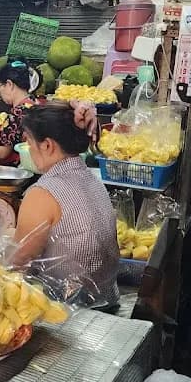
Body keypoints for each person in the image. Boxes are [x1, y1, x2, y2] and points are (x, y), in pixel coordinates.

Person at [13, 103, 119, 310]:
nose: (28, 148)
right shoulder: (92, 179)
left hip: (69, 311)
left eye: (29, 141)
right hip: (107, 299)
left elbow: (18, 264)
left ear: (47, 145)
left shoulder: (43, 193)